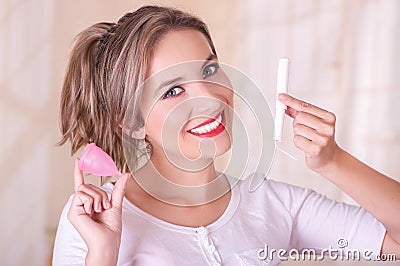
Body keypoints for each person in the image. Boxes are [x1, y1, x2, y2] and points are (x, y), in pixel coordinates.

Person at [52, 5, 400, 266]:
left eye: (209, 69)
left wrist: (333, 161)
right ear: (130, 122)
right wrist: (102, 254)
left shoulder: (273, 205)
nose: (209, 96)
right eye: (173, 90)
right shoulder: (93, 221)